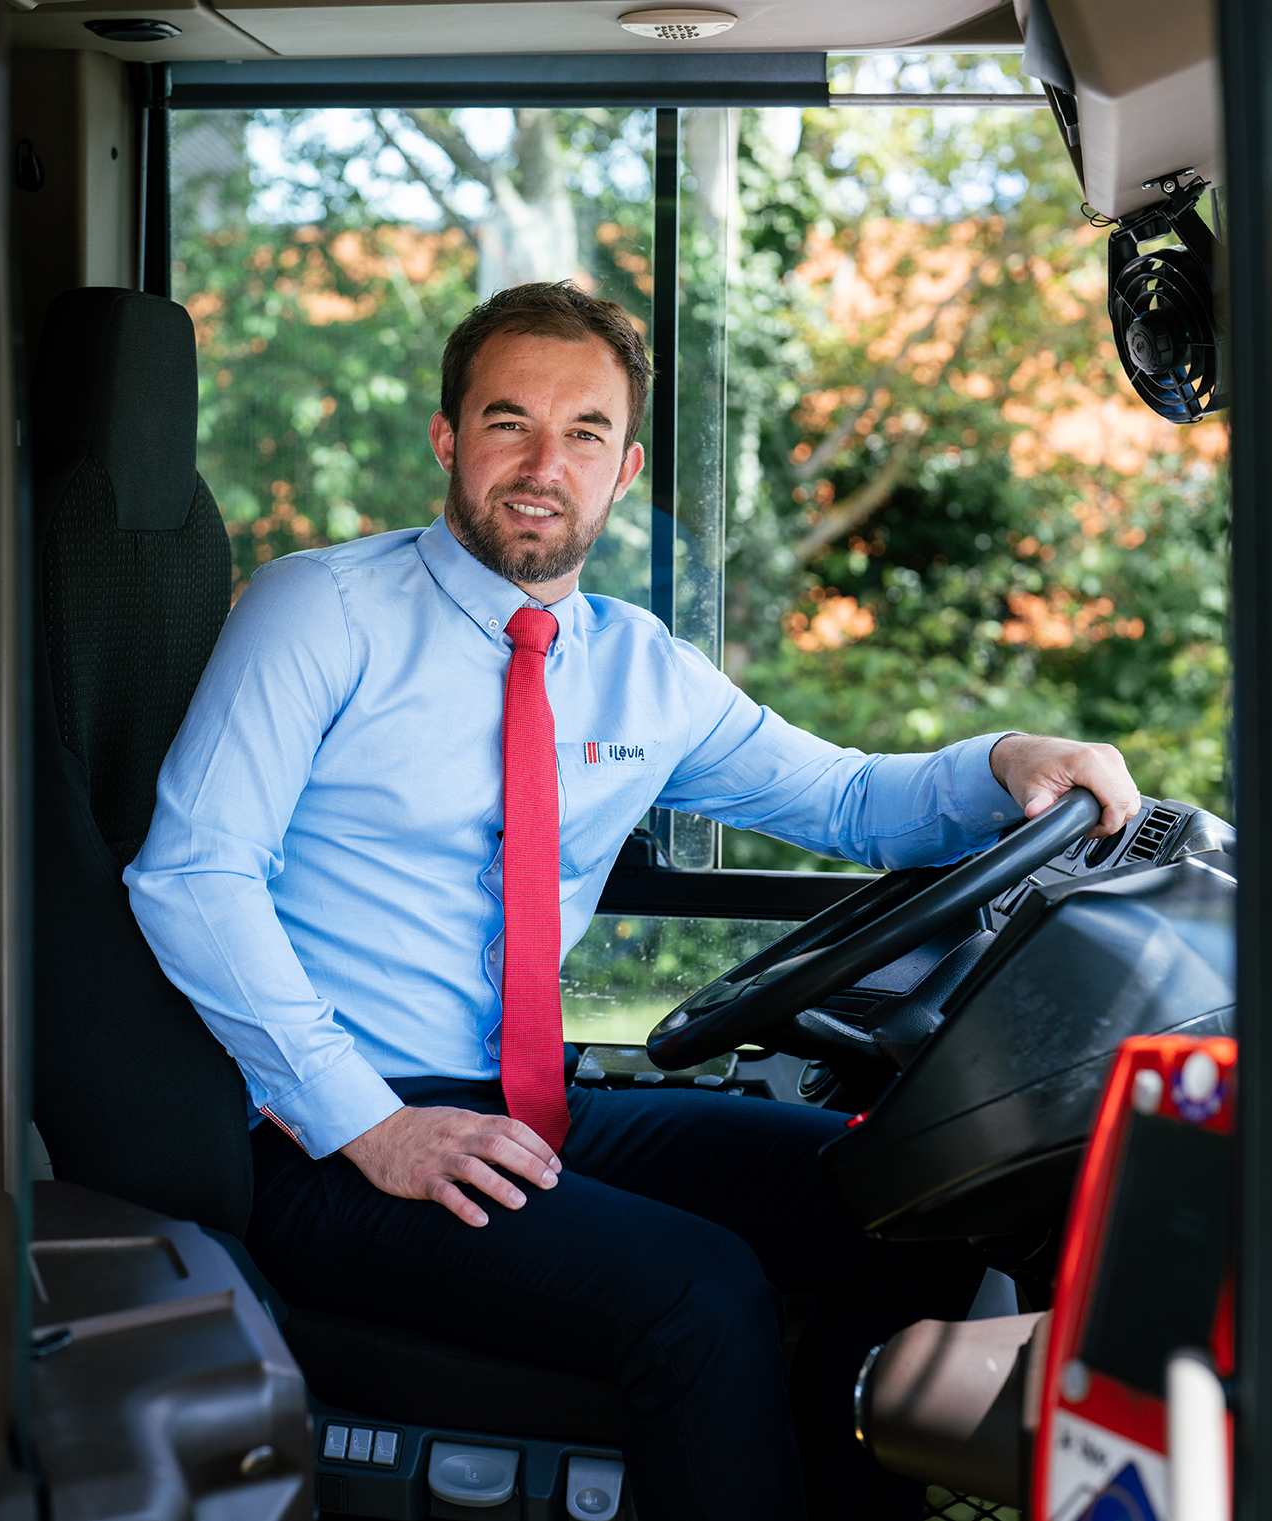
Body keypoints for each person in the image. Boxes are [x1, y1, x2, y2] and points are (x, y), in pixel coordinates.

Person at [124, 281, 1142, 1520]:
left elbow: (851, 801)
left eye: (585, 434)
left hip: (540, 1108)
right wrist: (371, 1126)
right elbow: (191, 875)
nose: (543, 465)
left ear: (627, 466)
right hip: (328, 1139)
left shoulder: (642, 669)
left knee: (918, 1211)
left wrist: (1006, 762)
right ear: (447, 439)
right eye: (508, 422)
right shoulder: (318, 612)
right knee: (699, 1290)